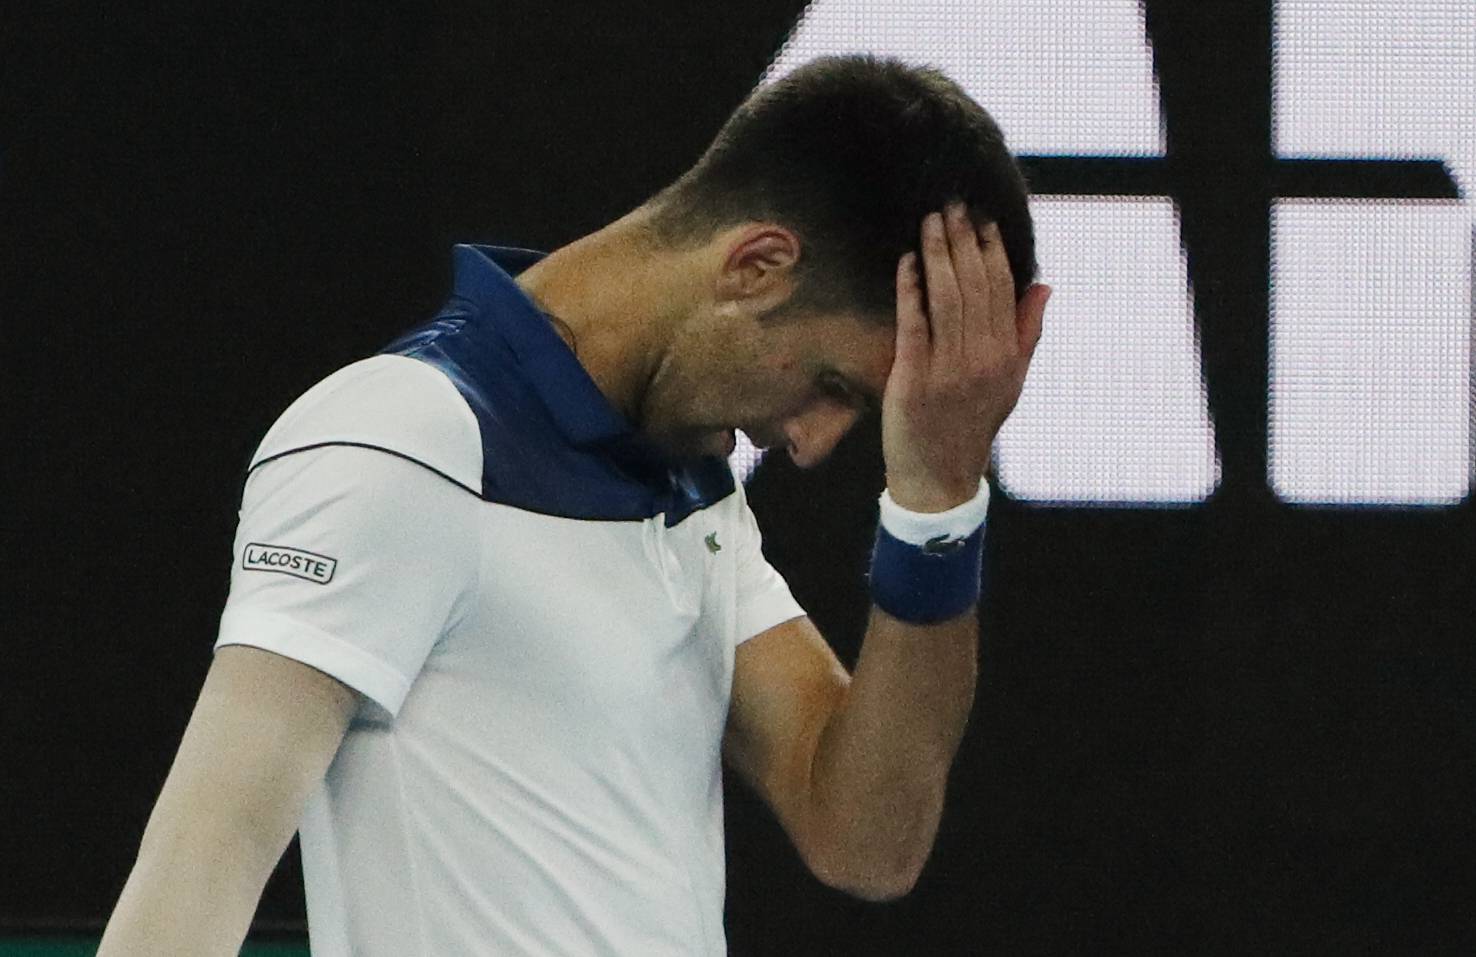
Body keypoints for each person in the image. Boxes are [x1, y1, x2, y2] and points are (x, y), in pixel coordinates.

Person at [97, 54, 1050, 956]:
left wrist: (937, 499)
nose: (810, 442)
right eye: (835, 385)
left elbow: (867, 839)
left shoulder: (695, 484)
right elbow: (202, 860)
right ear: (755, 265)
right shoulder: (396, 437)